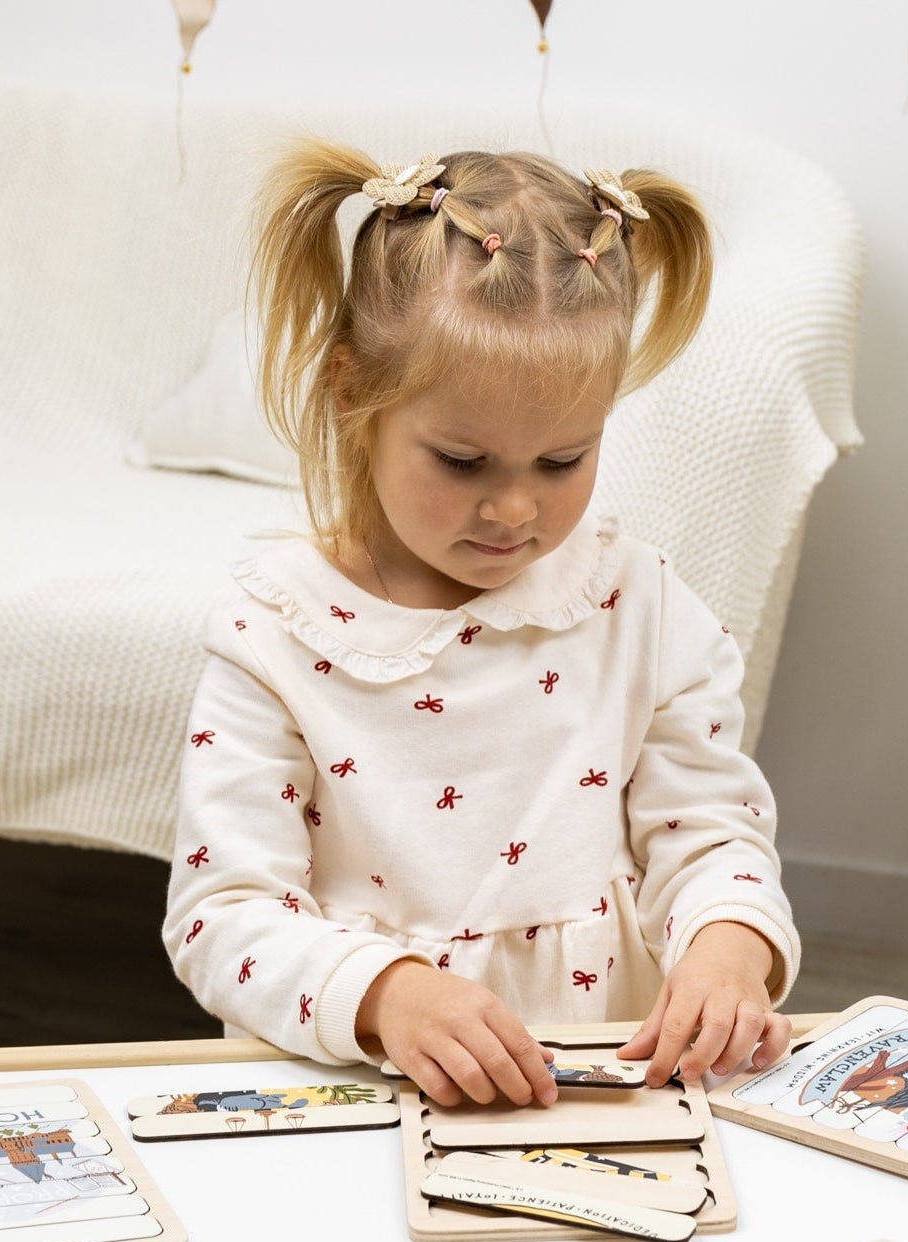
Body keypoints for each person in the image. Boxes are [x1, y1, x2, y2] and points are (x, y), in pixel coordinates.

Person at [163, 141, 798, 1108]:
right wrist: (387, 995)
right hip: (356, 1095)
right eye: (462, 461)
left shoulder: (643, 605)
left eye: (562, 461)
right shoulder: (277, 632)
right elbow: (222, 917)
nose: (513, 510)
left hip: (603, 1091)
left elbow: (710, 835)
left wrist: (728, 953)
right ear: (351, 394)